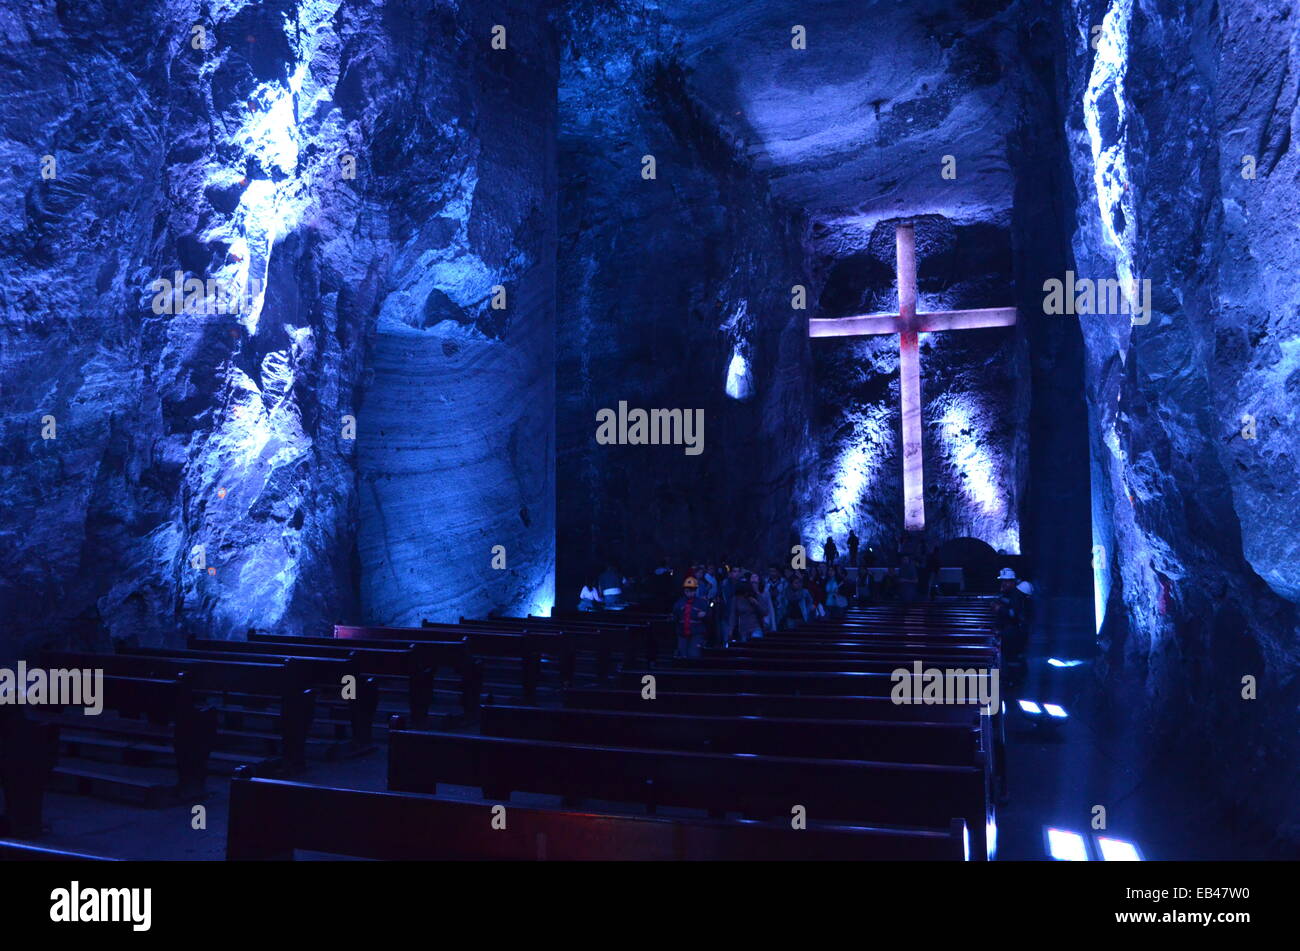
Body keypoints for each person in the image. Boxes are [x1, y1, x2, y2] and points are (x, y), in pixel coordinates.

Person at [673, 576, 710, 658]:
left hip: (697, 632)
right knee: (683, 655)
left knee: (694, 655)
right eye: (687, 590)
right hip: (682, 632)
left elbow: (709, 618)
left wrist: (705, 615)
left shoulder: (702, 603)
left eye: (692, 590)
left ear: (696, 590)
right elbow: (675, 617)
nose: (689, 592)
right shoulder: (679, 603)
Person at [729, 579, 766, 644]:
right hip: (743, 630)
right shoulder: (736, 599)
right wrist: (730, 630)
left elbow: (764, 612)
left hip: (755, 627)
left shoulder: (756, 596)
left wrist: (756, 604)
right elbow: (733, 615)